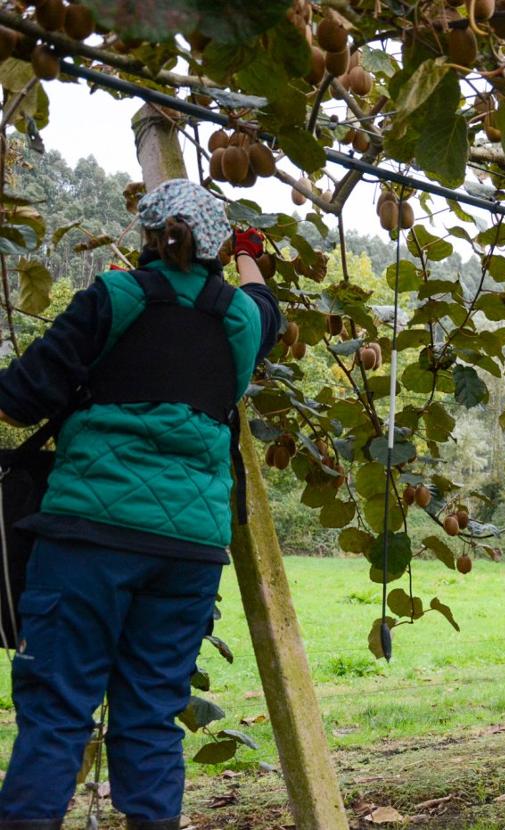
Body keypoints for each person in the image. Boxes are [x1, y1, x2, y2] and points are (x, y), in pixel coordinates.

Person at [0, 179, 282, 830]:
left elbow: (18, 398)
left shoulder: (112, 299)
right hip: (188, 551)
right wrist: (249, 248)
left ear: (148, 237)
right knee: (152, 714)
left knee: (58, 710)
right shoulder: (241, 320)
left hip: (88, 538)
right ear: (215, 244)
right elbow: (267, 302)